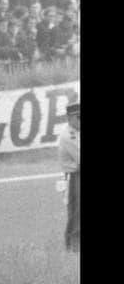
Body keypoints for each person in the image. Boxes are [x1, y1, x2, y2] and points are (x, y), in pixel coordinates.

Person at [59, 102, 80, 251]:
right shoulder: (68, 136)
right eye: (78, 117)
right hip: (74, 177)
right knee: (76, 211)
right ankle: (73, 245)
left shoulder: (76, 131)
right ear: (69, 118)